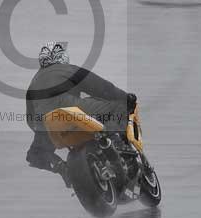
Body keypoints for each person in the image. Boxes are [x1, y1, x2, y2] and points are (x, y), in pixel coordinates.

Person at [24, 41, 137, 186]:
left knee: (36, 153)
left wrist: (43, 134)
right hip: (69, 109)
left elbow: (30, 119)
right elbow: (101, 88)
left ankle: (62, 168)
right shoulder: (68, 69)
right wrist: (125, 98)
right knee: (117, 108)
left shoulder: (33, 83)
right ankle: (117, 145)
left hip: (46, 123)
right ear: (63, 57)